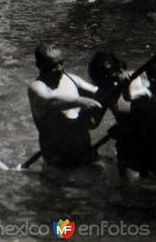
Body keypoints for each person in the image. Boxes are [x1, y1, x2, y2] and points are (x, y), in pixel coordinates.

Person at [28, 44, 102, 168]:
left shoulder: (71, 79)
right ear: (39, 66)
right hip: (59, 163)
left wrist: (120, 81)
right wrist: (81, 101)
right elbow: (51, 101)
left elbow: (98, 92)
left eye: (61, 63)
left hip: (86, 152)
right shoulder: (37, 87)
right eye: (53, 66)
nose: (60, 69)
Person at [88, 52, 156, 180]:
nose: (112, 84)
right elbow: (93, 123)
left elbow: (131, 96)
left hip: (151, 138)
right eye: (105, 81)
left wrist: (126, 88)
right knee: (130, 189)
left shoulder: (139, 78)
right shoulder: (104, 90)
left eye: (113, 78)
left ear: (120, 69)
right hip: (128, 143)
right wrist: (84, 107)